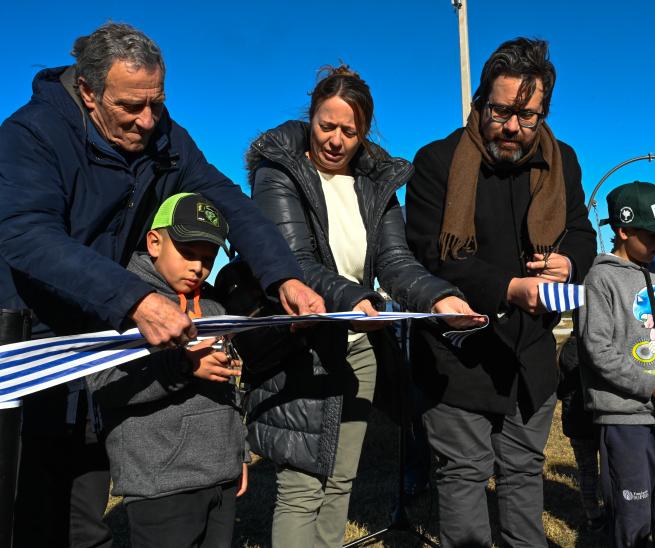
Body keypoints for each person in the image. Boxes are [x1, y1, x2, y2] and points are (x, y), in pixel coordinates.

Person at [0, 23, 322, 548]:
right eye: (130, 107)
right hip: (36, 346)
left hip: (105, 341)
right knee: (31, 507)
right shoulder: (31, 135)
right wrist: (135, 298)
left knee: (85, 510)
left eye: (157, 102)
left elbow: (227, 200)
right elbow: (27, 236)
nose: (148, 121)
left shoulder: (164, 136)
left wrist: (283, 273)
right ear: (87, 91)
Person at [244, 64, 484, 547]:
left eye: (348, 131)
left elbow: (395, 262)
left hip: (358, 348)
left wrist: (440, 297)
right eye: (325, 126)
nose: (335, 140)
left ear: (364, 132)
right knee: (301, 487)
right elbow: (295, 262)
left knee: (339, 482)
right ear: (310, 117)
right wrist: (355, 296)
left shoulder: (376, 185)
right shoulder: (279, 171)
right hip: (302, 348)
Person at [404, 37, 597, 547]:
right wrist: (509, 288)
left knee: (522, 474)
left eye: (527, 115)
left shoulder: (563, 162)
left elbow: (582, 231)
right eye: (500, 110)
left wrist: (569, 260)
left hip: (530, 358)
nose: (512, 126)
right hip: (457, 355)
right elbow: (431, 253)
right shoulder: (436, 161)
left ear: (544, 112)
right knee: (464, 475)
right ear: (478, 103)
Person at [87, 193, 246, 548]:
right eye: (188, 253)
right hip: (161, 485)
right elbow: (105, 387)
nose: (198, 268)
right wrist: (185, 366)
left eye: (208, 258)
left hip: (221, 476)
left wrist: (240, 454)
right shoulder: (126, 305)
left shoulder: (216, 308)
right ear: (154, 242)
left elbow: (229, 390)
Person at [578, 181, 655, 547]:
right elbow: (597, 350)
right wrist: (652, 386)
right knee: (632, 514)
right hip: (624, 419)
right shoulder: (601, 278)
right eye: (653, 236)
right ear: (624, 230)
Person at [556, 335, 604, 530]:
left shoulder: (563, 351)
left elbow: (559, 391)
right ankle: (610, 509)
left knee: (586, 471)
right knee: (608, 470)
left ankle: (592, 513)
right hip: (597, 420)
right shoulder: (589, 349)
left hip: (576, 424)